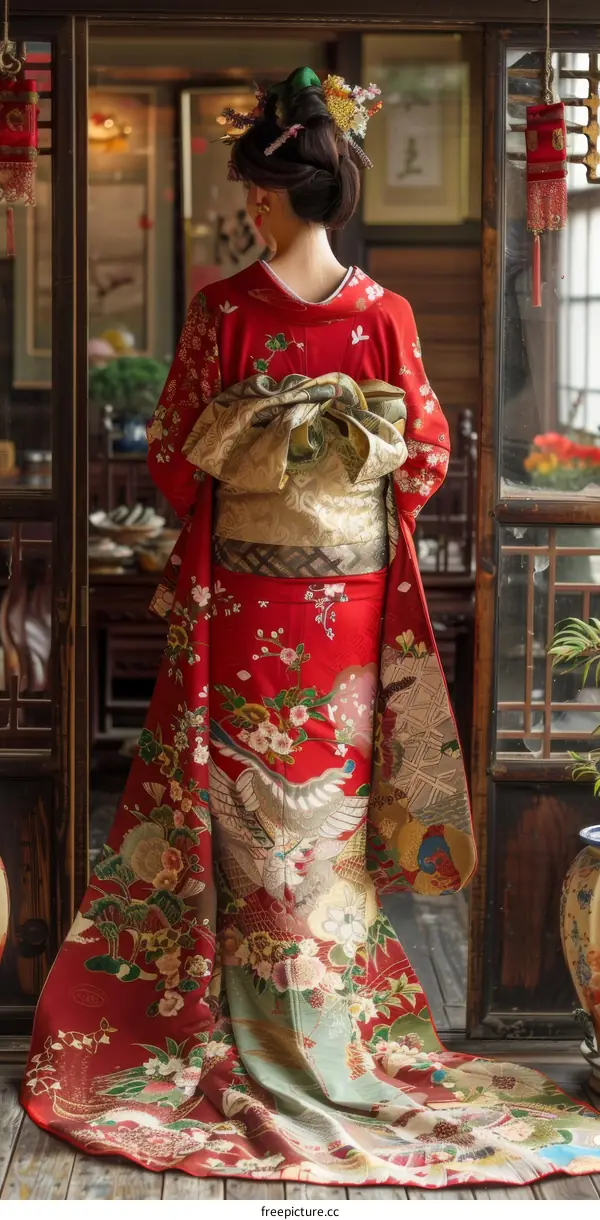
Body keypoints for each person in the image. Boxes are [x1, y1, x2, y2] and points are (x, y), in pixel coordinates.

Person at [22, 67, 600, 1188]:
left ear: (275, 197)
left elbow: (176, 461)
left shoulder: (223, 310)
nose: (248, 209)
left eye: (252, 192)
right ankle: (326, 1025)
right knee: (323, 824)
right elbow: (422, 458)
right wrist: (342, 475)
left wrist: (255, 458)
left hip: (248, 607)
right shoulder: (384, 315)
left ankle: (243, 1022)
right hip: (345, 606)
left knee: (249, 814)